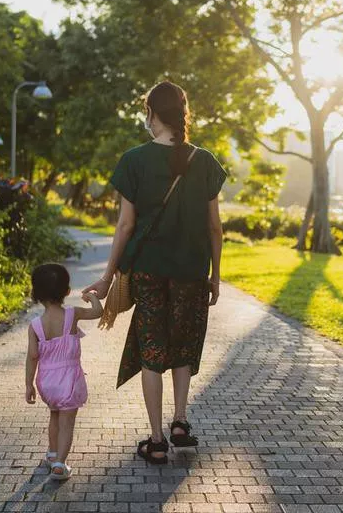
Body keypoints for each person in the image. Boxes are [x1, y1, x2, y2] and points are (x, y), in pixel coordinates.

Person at [82, 80, 227, 464]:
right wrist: (215, 275)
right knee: (183, 346)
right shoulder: (205, 161)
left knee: (152, 351)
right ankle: (181, 422)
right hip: (192, 272)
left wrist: (108, 276)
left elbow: (126, 226)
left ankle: (158, 439)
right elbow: (215, 228)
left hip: (147, 272)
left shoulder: (134, 160)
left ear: (152, 114)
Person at [25, 263, 104, 480]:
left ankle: (51, 454)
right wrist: (92, 296)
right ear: (67, 292)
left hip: (47, 383)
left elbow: (32, 356)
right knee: (67, 423)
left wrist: (28, 385)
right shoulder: (72, 314)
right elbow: (98, 312)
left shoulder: (35, 326)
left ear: (36, 294)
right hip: (69, 381)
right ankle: (60, 464)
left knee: (54, 416)